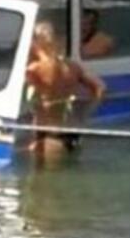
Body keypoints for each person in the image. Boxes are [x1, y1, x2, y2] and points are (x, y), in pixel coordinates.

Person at [26, 21, 106, 160]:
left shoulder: (35, 69)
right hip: (72, 130)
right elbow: (100, 88)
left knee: (43, 180)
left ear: (35, 42)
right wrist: (86, 113)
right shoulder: (72, 66)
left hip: (48, 136)